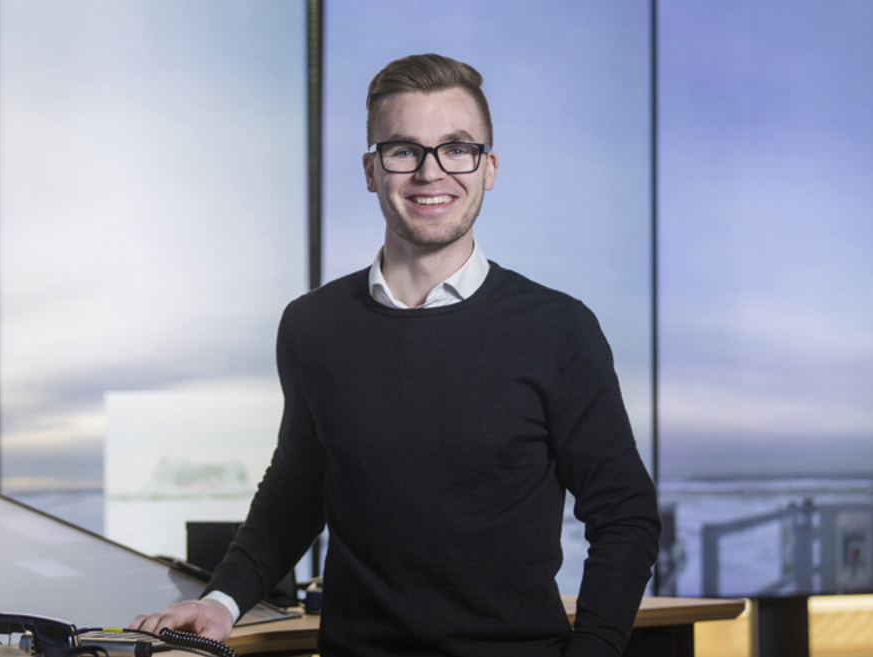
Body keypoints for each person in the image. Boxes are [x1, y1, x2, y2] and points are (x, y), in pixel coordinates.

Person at [131, 53, 660, 657]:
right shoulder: (313, 327)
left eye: (456, 148)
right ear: (370, 169)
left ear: (489, 167)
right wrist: (222, 600)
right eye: (404, 150)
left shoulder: (560, 330)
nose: (431, 173)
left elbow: (625, 515)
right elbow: (301, 485)